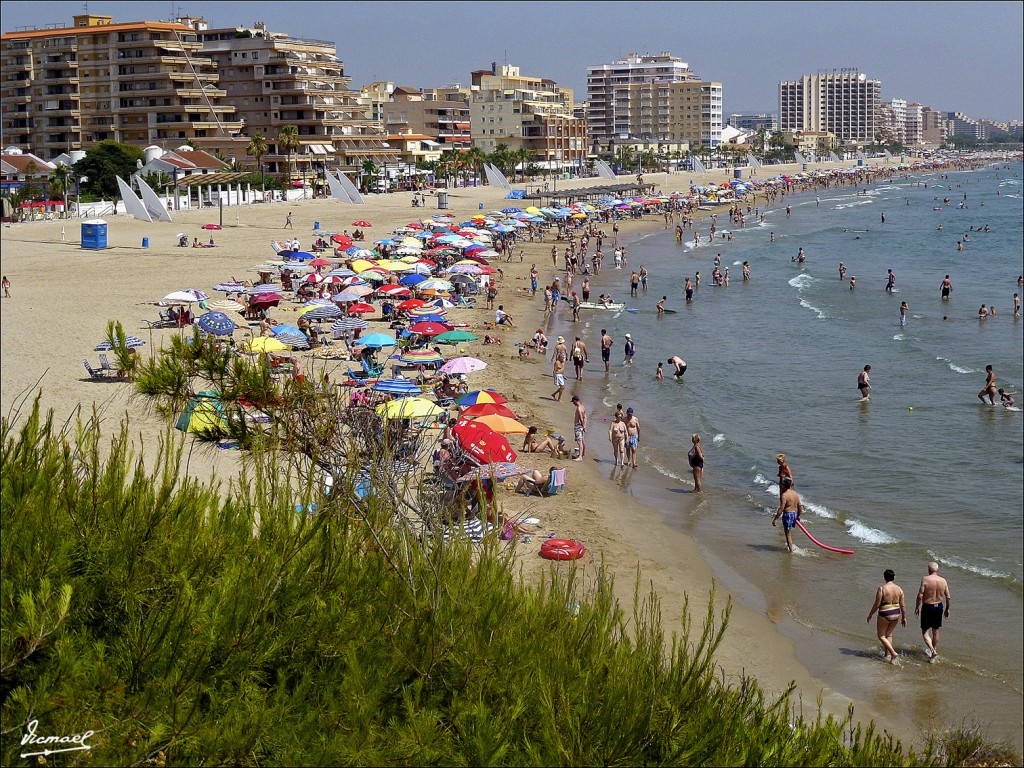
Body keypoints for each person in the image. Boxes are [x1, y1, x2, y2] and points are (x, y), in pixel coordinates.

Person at [866, 569, 907, 665]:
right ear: (894, 577)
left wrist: (870, 614)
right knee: (889, 634)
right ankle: (887, 655)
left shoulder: (882, 588)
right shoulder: (899, 589)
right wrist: (904, 617)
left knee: (881, 636)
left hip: (885, 613)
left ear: (884, 577)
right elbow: (903, 605)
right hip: (896, 613)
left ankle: (893, 653)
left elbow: (877, 604)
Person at [915, 562, 951, 662]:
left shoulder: (925, 579)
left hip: (928, 606)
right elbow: (948, 597)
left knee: (925, 632)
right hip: (939, 606)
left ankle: (932, 650)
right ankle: (933, 653)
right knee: (936, 630)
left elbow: (920, 595)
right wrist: (947, 609)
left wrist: (917, 607)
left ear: (929, 569)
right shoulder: (943, 580)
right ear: (937, 570)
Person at [771, 476, 801, 553]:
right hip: (794, 513)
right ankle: (790, 546)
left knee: (787, 534)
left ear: (784, 486)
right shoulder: (795, 493)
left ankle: (791, 551)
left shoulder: (784, 495)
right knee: (789, 532)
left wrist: (775, 519)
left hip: (788, 514)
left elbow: (781, 508)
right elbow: (799, 506)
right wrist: (798, 516)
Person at [571, 395, 587, 461]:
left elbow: (581, 417)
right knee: (582, 440)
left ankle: (580, 457)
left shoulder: (579, 408)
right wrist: (585, 426)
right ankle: (582, 454)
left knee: (579, 441)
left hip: (578, 426)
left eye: (573, 402)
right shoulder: (583, 407)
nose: (573, 403)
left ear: (575, 401)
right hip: (581, 426)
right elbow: (585, 417)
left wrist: (583, 426)